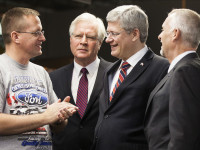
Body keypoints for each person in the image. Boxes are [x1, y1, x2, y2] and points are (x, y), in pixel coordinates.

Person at [92, 5, 169, 150]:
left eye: (114, 33)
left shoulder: (162, 68)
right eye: (108, 33)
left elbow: (163, 124)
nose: (108, 40)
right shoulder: (110, 71)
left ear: (134, 34)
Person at [0, 7, 78, 150]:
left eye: (42, 32)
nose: (43, 38)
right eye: (37, 33)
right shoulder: (1, 68)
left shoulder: (40, 72)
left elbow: (57, 127)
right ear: (15, 36)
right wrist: (45, 117)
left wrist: (59, 117)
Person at [49, 12, 111, 150]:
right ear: (71, 40)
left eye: (90, 37)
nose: (83, 41)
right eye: (78, 36)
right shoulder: (53, 78)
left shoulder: (115, 74)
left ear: (100, 43)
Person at [144, 8, 200, 150]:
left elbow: (183, 135)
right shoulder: (186, 69)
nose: (159, 36)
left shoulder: (185, 71)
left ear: (175, 33)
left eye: (163, 29)